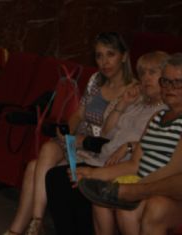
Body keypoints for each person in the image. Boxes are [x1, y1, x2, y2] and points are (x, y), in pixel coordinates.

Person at [3, 32, 134, 235]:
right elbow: (79, 114)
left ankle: (29, 227)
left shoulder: (132, 90)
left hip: (99, 149)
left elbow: (116, 134)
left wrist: (81, 140)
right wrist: (69, 132)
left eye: (111, 55)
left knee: (34, 168)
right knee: (46, 151)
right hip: (78, 143)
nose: (105, 62)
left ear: (123, 56)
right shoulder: (96, 81)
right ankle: (30, 224)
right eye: (99, 56)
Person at [45, 51, 168, 235]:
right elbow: (107, 132)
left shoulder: (166, 111)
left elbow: (152, 145)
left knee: (65, 180)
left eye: (152, 72)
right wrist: (123, 104)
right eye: (142, 73)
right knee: (56, 177)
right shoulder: (138, 103)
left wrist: (129, 146)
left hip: (124, 163)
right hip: (104, 157)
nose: (146, 78)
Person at [78, 52, 182, 235]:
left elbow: (174, 170)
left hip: (165, 189)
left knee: (133, 208)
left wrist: (131, 189)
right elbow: (135, 163)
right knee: (104, 202)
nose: (170, 87)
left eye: (178, 82)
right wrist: (93, 173)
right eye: (166, 81)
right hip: (145, 183)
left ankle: (127, 193)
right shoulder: (157, 117)